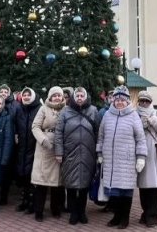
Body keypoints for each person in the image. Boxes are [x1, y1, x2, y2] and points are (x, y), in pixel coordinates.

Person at [96, 85, 147, 229]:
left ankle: (125, 219)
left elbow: (140, 139)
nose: (119, 102)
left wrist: (141, 157)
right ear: (113, 101)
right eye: (117, 100)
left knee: (126, 192)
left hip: (127, 161)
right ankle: (116, 217)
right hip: (110, 161)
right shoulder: (107, 115)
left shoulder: (133, 116)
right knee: (114, 192)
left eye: (122, 100)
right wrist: (99, 153)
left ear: (127, 101)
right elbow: (101, 136)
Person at [55, 86, 99, 225]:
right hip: (70, 154)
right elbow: (58, 133)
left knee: (85, 185)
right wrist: (59, 152)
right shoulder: (65, 111)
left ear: (86, 97)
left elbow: (98, 132)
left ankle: (82, 212)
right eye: (77, 96)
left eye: (82, 96)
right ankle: (73, 213)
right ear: (74, 97)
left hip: (88, 154)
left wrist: (98, 152)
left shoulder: (93, 110)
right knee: (71, 185)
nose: (79, 98)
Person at [31, 86, 65, 222]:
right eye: (54, 95)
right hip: (44, 148)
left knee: (57, 183)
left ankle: (56, 209)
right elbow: (35, 126)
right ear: (50, 97)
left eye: (59, 95)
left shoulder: (66, 109)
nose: (57, 98)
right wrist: (43, 140)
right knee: (41, 182)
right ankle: (38, 211)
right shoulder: (43, 109)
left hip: (59, 148)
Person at [135, 91, 157, 228]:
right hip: (141, 154)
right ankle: (145, 213)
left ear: (151, 102)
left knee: (155, 187)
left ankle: (153, 216)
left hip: (155, 155)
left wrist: (153, 121)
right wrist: (141, 124)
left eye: (147, 101)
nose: (144, 103)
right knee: (143, 187)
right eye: (142, 100)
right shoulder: (134, 114)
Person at [13, 87, 41, 213]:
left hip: (34, 147)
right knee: (23, 175)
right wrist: (15, 134)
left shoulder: (39, 108)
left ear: (33, 96)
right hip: (21, 147)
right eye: (24, 95)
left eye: (29, 95)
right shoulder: (19, 109)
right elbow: (15, 123)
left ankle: (32, 203)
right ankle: (24, 201)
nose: (26, 97)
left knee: (32, 176)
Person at [0, 83, 18, 205]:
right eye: (2, 91)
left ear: (9, 93)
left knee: (6, 169)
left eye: (6, 92)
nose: (4, 94)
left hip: (9, 139)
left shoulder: (15, 105)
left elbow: (18, 120)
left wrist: (16, 134)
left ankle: (4, 196)